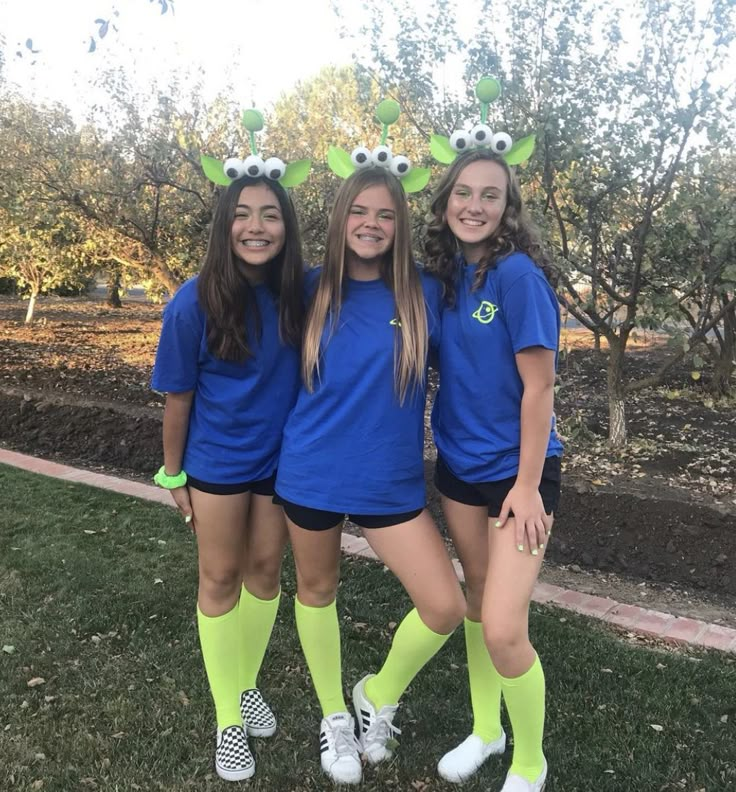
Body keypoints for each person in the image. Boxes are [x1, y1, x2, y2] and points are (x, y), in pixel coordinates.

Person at [274, 166, 466, 785]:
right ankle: (334, 717)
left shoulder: (424, 293)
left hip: (390, 481)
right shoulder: (306, 291)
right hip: (311, 472)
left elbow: (484, 358)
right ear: (340, 218)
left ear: (399, 225)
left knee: (443, 606)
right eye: (360, 211)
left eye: (385, 215)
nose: (372, 224)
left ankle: (376, 693)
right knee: (317, 590)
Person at [151, 174, 304, 782]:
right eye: (243, 214)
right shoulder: (192, 301)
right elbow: (178, 398)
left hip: (281, 463)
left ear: (286, 227)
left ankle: (244, 685)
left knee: (264, 574)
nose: (257, 227)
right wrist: (173, 473)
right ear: (225, 225)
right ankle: (227, 720)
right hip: (215, 464)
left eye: (270, 214)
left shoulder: (300, 293)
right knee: (219, 577)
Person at [425, 147, 562, 792]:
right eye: (463, 193)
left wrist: (529, 487)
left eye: (489, 195)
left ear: (508, 209)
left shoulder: (517, 278)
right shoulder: (446, 273)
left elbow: (540, 389)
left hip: (518, 478)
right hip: (457, 467)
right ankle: (487, 729)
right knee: (478, 603)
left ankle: (530, 762)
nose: (473, 206)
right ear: (445, 199)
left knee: (506, 630)